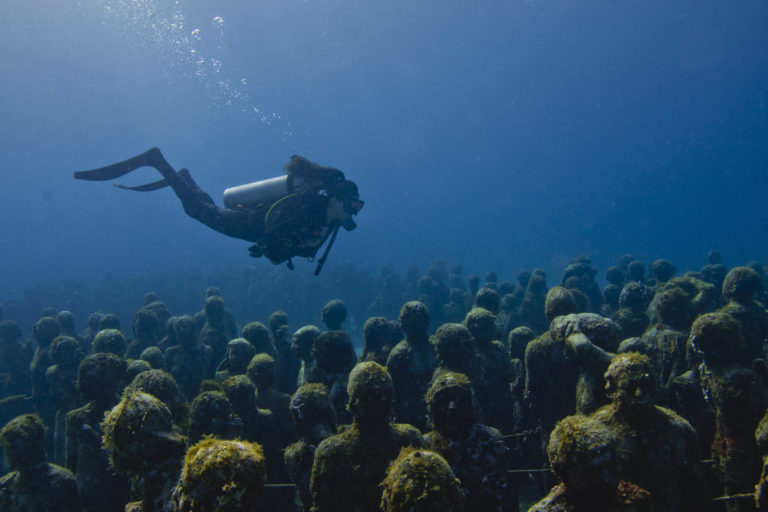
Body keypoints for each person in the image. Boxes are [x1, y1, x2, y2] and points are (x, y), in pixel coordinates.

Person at [75, 148, 364, 272]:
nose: (354, 211)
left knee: (204, 207)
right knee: (196, 210)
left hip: (250, 228)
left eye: (358, 206)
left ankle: (184, 178)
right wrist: (270, 247)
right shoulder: (310, 210)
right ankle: (157, 161)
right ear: (336, 199)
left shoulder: (327, 221)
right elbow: (278, 235)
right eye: (352, 204)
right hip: (247, 224)